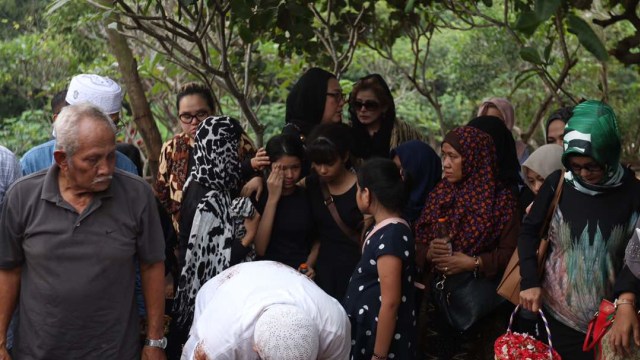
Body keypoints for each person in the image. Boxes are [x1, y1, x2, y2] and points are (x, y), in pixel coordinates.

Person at [0, 103, 166, 359]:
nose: (106, 168)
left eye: (111, 155)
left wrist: (154, 341)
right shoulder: (23, 197)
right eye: (92, 160)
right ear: (62, 160)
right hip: (39, 351)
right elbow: (9, 270)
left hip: (114, 351)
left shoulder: (136, 195)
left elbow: (152, 266)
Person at [519, 100, 640, 359]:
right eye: (576, 166)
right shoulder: (559, 184)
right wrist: (529, 282)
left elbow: (637, 250)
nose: (583, 173)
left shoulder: (632, 192)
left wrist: (627, 302)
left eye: (591, 166)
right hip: (555, 321)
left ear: (608, 155)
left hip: (609, 327)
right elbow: (529, 232)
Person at [414, 126, 519, 357]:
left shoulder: (501, 200)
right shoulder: (441, 193)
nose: (446, 163)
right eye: (444, 155)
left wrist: (473, 263)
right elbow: (418, 242)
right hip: (437, 301)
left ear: (474, 157)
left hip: (479, 308)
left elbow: (511, 254)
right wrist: (431, 252)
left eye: (454, 156)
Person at [173, 116, 260, 342]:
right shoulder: (208, 199)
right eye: (233, 148)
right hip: (205, 303)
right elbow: (215, 264)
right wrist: (249, 235)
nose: (238, 154)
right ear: (222, 150)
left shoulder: (201, 176)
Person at [181, 261, 351, 360]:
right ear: (256, 348)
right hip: (224, 289)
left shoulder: (335, 329)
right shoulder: (219, 345)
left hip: (274, 277)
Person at [155, 83, 257, 233]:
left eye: (201, 114)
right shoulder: (171, 148)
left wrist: (257, 178)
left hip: (233, 236)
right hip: (186, 239)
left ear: (213, 112)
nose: (194, 122)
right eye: (186, 116)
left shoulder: (237, 141)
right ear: (179, 117)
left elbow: (255, 176)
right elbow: (162, 195)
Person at [344, 158, 416, 359]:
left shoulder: (392, 235)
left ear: (366, 194)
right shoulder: (384, 229)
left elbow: (391, 302)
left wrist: (379, 355)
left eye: (358, 190)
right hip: (369, 330)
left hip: (379, 340)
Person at [20, 74, 138, 176]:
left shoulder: (126, 168)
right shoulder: (32, 164)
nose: (109, 133)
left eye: (114, 124)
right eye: (102, 125)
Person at [305, 123, 363, 301]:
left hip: (356, 271)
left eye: (329, 163)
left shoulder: (363, 189)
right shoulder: (313, 183)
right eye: (317, 163)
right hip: (323, 274)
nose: (323, 170)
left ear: (345, 156)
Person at [253, 134, 315, 271]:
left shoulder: (307, 195)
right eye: (282, 169)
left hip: (299, 272)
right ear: (270, 166)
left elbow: (317, 239)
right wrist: (273, 198)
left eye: (295, 167)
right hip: (268, 272)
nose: (290, 175)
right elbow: (260, 248)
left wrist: (309, 264)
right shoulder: (258, 194)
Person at [348, 74, 424, 165]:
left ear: (384, 106)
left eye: (370, 105)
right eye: (358, 104)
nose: (363, 110)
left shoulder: (405, 131)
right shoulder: (347, 131)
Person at [283, 67, 345, 142]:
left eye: (341, 95)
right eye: (336, 95)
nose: (342, 102)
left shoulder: (338, 135)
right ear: (316, 97)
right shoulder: (291, 140)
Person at [389, 140, 441, 226]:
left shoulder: (443, 206)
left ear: (419, 171)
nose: (396, 176)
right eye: (395, 170)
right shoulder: (391, 204)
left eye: (402, 170)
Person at [477, 97, 529, 164]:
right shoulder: (474, 149)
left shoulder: (520, 151)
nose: (491, 125)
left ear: (508, 122)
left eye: (496, 121)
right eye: (486, 119)